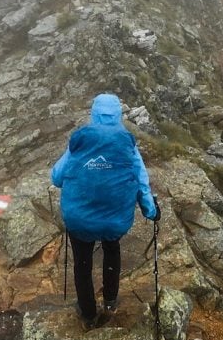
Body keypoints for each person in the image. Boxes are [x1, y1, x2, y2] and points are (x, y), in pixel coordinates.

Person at [51, 93, 159, 324]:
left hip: (80, 218)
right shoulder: (126, 143)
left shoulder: (81, 140)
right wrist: (150, 210)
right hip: (115, 219)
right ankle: (110, 301)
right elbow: (141, 180)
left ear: (94, 113)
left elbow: (57, 177)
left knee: (82, 262)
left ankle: (88, 313)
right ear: (119, 115)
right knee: (112, 250)